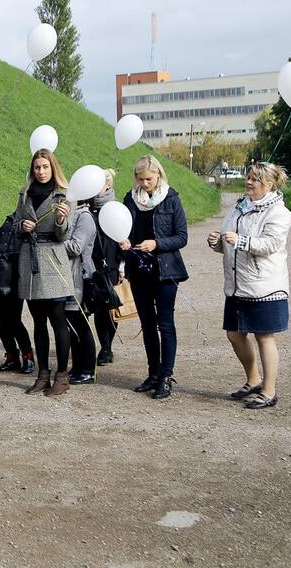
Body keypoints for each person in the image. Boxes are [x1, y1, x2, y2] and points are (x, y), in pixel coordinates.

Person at [209, 162, 291, 409]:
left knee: (264, 337)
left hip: (264, 286)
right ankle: (253, 379)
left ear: (268, 184)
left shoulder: (279, 213)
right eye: (248, 177)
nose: (249, 182)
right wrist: (216, 242)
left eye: (255, 179)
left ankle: (269, 391)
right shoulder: (239, 208)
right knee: (234, 335)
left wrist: (241, 240)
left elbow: (269, 245)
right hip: (237, 285)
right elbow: (227, 241)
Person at [118, 155, 188, 400]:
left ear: (158, 175)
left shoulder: (171, 199)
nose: (145, 183)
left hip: (165, 270)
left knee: (165, 324)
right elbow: (122, 228)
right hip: (139, 270)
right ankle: (153, 373)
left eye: (149, 178)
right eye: (141, 179)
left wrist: (156, 243)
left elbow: (182, 237)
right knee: (147, 324)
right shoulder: (130, 198)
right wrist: (124, 242)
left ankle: (166, 377)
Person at [14, 149, 73, 397]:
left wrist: (61, 220)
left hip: (53, 261)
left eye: (45, 167)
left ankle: (62, 375)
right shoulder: (24, 194)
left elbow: (64, 235)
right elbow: (16, 226)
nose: (40, 171)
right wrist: (22, 226)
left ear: (53, 168)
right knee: (38, 321)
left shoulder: (63, 195)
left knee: (58, 319)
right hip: (31, 261)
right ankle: (43, 374)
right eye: (37, 167)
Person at [0, 214, 35, 374]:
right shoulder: (10, 219)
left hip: (14, 276)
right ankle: (12, 356)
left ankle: (28, 357)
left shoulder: (30, 222)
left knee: (13, 320)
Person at [63, 200, 98, 385]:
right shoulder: (71, 215)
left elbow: (77, 247)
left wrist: (52, 244)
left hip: (79, 277)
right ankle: (77, 367)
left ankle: (87, 370)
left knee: (81, 324)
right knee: (71, 324)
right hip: (68, 276)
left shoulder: (84, 217)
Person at [92, 170, 121, 366]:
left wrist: (123, 265)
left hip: (112, 262)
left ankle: (107, 346)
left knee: (110, 305)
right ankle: (104, 346)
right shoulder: (85, 207)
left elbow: (123, 236)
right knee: (97, 307)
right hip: (91, 263)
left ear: (108, 186)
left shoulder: (116, 208)